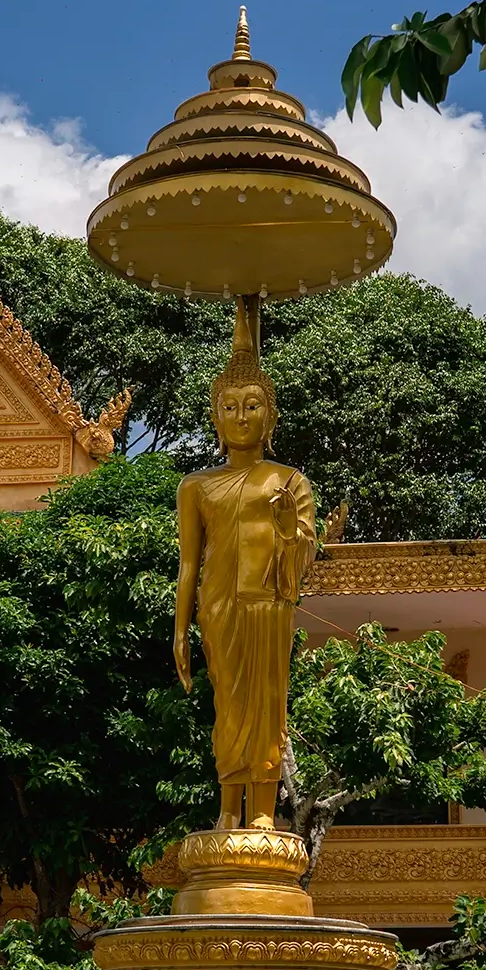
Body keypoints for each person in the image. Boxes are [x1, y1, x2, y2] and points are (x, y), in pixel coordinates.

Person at [174, 299, 315, 831]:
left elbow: (304, 551)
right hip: (218, 607)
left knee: (267, 707)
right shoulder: (196, 486)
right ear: (216, 415)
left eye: (252, 405)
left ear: (269, 416)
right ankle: (227, 811)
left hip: (268, 605)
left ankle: (262, 812)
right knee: (229, 706)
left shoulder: (290, 480)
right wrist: (179, 629)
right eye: (230, 406)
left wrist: (287, 527)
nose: (240, 416)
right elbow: (189, 563)